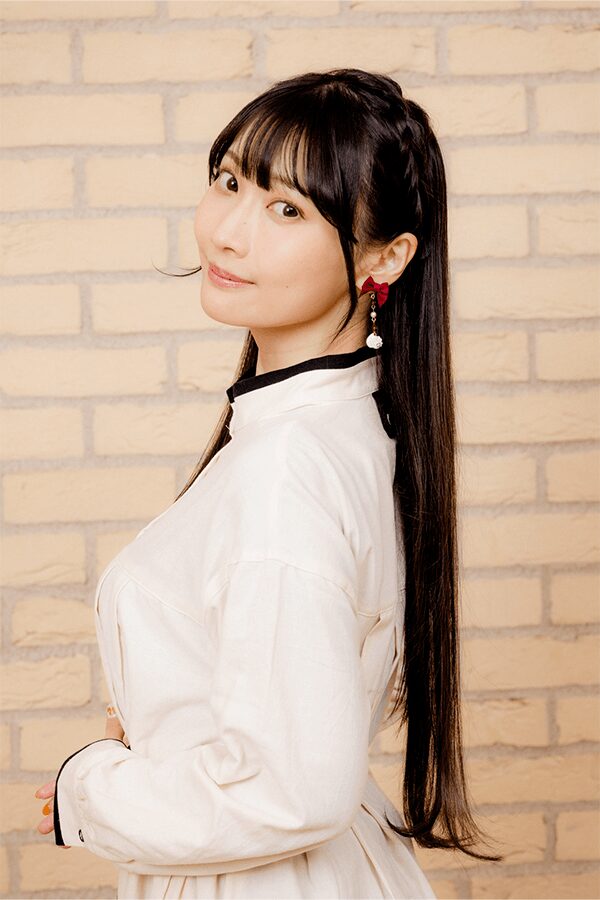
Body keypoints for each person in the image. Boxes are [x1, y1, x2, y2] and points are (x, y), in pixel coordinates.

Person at [35, 68, 503, 898]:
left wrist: (91, 789)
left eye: (288, 210)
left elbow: (291, 790)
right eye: (229, 183)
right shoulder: (342, 427)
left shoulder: (290, 465)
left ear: (386, 257)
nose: (228, 233)